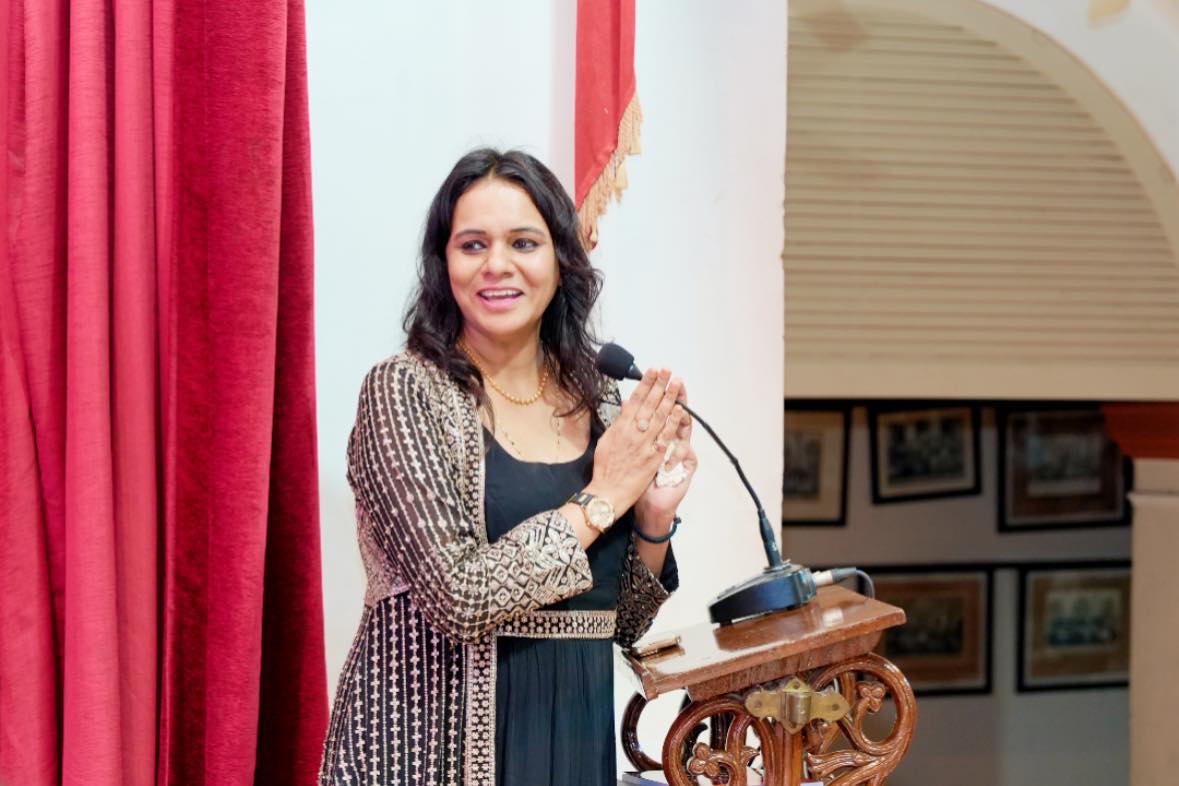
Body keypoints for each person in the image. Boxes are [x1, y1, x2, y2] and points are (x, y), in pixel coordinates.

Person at [319, 148, 698, 786]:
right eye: (473, 245)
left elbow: (621, 621)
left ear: (560, 260)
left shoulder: (599, 399)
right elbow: (461, 597)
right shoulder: (405, 392)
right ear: (443, 263)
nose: (497, 264)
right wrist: (604, 496)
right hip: (429, 753)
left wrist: (653, 519)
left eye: (523, 242)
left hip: (572, 736)